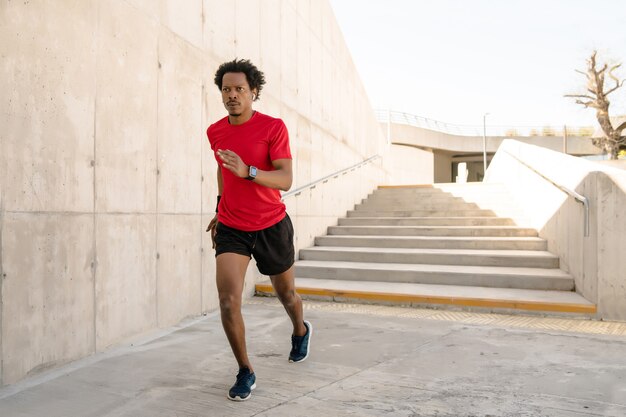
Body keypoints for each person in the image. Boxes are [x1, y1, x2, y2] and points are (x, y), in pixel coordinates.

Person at [205, 58, 312, 402]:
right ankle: (245, 370)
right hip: (233, 225)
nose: (232, 95)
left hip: (271, 224)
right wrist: (220, 208)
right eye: (226, 89)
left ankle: (300, 329)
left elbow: (285, 178)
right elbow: (223, 170)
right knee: (227, 300)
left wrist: (249, 171)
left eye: (239, 89)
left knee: (286, 294)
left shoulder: (273, 127)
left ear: (254, 92)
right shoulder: (215, 131)